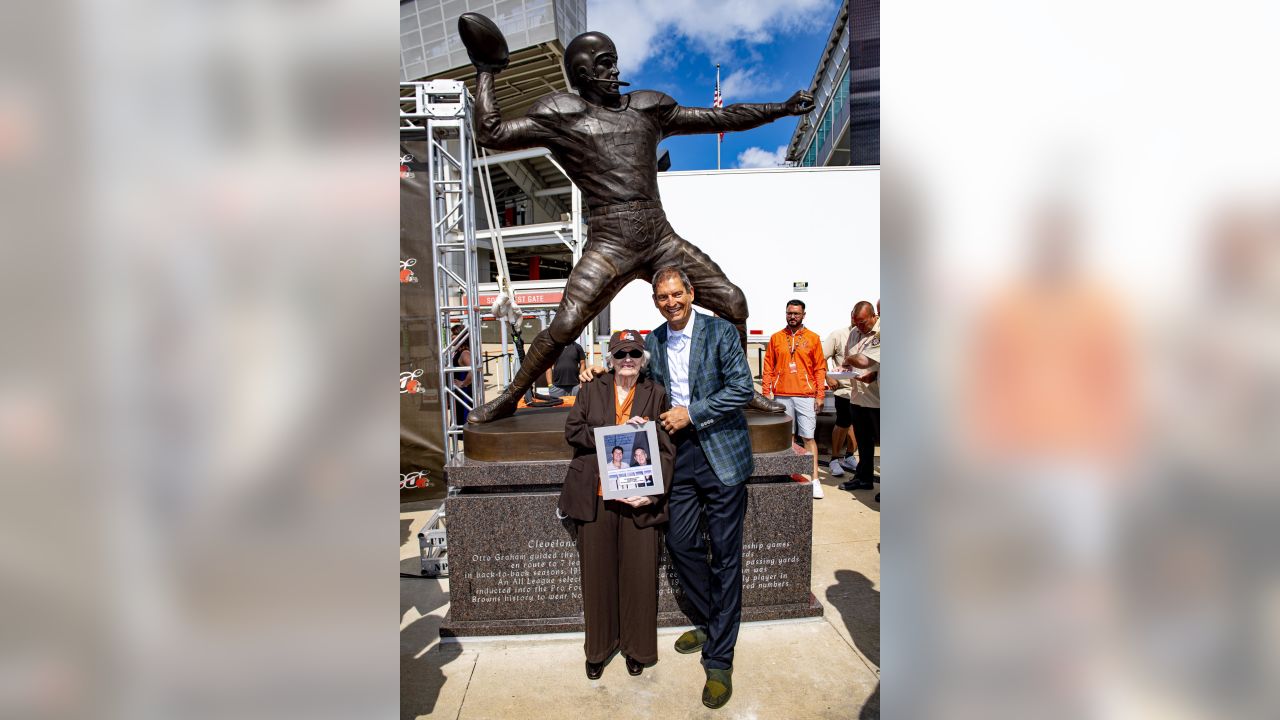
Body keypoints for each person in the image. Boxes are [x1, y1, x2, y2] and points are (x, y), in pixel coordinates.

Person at [464, 26, 813, 423]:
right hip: (610, 240)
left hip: (659, 236)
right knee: (563, 325)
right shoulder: (562, 114)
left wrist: (779, 109)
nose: (615, 70)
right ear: (581, 72)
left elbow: (719, 116)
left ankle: (741, 389)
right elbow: (491, 132)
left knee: (733, 301)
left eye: (614, 61)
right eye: (604, 63)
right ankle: (510, 396)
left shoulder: (647, 107)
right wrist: (487, 70)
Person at [583, 267, 755, 708]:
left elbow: (742, 388)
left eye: (677, 294)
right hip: (677, 455)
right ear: (656, 301)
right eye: (663, 297)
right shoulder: (655, 340)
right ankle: (711, 618)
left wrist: (692, 413)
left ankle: (719, 658)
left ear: (691, 293)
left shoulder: (720, 333)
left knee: (724, 554)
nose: (671, 302)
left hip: (721, 453)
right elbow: (634, 374)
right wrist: (597, 376)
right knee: (679, 544)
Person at [560, 330, 675, 680]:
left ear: (643, 360)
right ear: (610, 359)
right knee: (596, 575)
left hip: (637, 497)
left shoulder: (655, 393)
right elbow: (572, 431)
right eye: (621, 354)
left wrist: (654, 493)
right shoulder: (592, 388)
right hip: (596, 497)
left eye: (635, 355)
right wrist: (613, 433)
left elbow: (668, 450)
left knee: (639, 576)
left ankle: (636, 648)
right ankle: (598, 649)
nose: (628, 360)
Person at [761, 300, 827, 498]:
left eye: (796, 314)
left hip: (806, 396)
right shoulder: (776, 338)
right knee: (787, 439)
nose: (792, 317)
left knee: (808, 437)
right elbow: (768, 367)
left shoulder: (813, 338)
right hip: (781, 395)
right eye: (789, 313)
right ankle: (789, 475)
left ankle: (814, 479)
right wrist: (766, 393)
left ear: (804, 315)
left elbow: (819, 368)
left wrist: (820, 394)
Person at [838, 302, 881, 492]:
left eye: (863, 322)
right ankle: (863, 478)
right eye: (856, 323)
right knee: (863, 442)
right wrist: (845, 368)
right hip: (857, 396)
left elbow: (864, 361)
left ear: (873, 316)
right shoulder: (855, 332)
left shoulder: (880, 333)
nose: (860, 327)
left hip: (877, 399)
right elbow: (851, 357)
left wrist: (850, 361)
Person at [823, 306, 863, 476]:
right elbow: (822, 357)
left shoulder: (870, 337)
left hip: (863, 390)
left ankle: (849, 456)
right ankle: (834, 459)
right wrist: (828, 377)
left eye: (861, 319)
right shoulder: (838, 335)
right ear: (851, 317)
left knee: (858, 425)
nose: (857, 322)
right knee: (842, 423)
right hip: (844, 389)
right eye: (855, 318)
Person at [449, 324, 473, 425]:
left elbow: (473, 371)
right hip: (459, 394)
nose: (451, 336)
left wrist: (463, 383)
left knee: (465, 425)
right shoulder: (457, 352)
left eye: (454, 334)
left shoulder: (465, 353)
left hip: (465, 395)